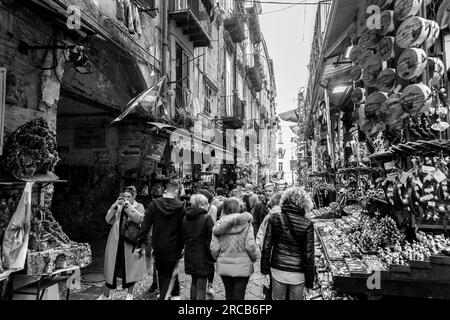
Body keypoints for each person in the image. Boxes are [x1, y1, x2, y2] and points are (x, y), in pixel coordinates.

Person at [261, 187, 315, 300]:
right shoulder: (307, 224)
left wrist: (264, 271)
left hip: (278, 269)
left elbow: (266, 247)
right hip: (298, 273)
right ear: (305, 203)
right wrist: (310, 282)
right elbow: (309, 255)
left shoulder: (275, 218)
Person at [136, 181, 186, 300]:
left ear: (164, 190)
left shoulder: (154, 205)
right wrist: (183, 246)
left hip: (158, 244)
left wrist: (139, 244)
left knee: (162, 273)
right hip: (174, 246)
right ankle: (169, 295)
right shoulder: (181, 207)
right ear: (176, 192)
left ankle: (169, 294)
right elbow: (183, 229)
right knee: (170, 272)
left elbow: (145, 226)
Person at [98, 186, 146, 300]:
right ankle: (106, 295)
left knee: (130, 270)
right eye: (124, 196)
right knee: (111, 269)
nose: (126, 199)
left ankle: (129, 294)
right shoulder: (118, 205)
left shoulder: (139, 206)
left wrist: (128, 207)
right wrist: (114, 206)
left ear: (134, 196)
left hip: (130, 243)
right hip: (115, 241)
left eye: (129, 197)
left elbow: (139, 219)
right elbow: (108, 219)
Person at [210, 197, 257, 300]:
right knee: (239, 294)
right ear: (238, 207)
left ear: (225, 208)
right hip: (243, 263)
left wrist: (217, 258)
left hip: (224, 263)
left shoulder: (219, 224)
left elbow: (214, 248)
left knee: (229, 292)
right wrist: (254, 258)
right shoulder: (246, 223)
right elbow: (250, 245)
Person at [182, 194, 215, 300]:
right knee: (201, 286)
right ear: (200, 205)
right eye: (206, 204)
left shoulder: (185, 218)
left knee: (194, 282)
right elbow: (211, 239)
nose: (208, 206)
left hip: (190, 253)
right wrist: (212, 256)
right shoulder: (206, 218)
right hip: (203, 255)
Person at [255, 191, 283, 301]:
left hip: (271, 254)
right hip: (273, 255)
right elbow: (262, 236)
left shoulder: (271, 215)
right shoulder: (273, 216)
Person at [196, 189, 218, 296]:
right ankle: (207, 284)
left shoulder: (212, 208)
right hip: (204, 237)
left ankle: (210, 284)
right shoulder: (208, 208)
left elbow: (212, 223)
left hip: (207, 237)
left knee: (209, 262)